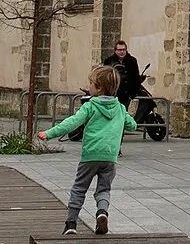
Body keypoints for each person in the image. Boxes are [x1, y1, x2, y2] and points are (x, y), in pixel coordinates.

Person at [39, 64, 137, 236]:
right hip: (110, 158)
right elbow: (132, 125)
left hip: (90, 155)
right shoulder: (120, 108)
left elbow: (72, 123)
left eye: (91, 84)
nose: (89, 87)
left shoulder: (90, 106)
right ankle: (102, 212)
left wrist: (49, 133)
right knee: (104, 189)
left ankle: (71, 223)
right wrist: (123, 120)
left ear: (99, 88)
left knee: (79, 189)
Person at [104, 40, 143, 110]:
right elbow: (105, 78)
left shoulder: (132, 61)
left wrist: (132, 95)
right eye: (119, 50)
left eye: (123, 50)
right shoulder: (109, 61)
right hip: (113, 95)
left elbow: (136, 78)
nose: (122, 52)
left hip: (127, 95)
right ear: (115, 51)